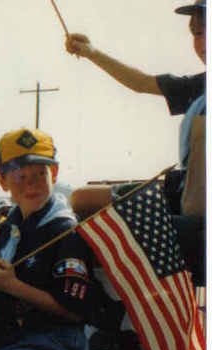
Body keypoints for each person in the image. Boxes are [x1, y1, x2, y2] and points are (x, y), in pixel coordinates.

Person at [0, 128, 164, 350]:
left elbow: (73, 312)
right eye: (20, 176)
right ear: (2, 180)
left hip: (57, 338)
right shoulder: (7, 229)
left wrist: (13, 286)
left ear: (54, 174)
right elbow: (0, 277)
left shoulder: (65, 233)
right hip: (16, 336)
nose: (31, 185)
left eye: (39, 174)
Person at [66, 1, 206, 218]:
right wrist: (91, 53)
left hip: (198, 206)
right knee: (82, 199)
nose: (203, 41)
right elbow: (141, 82)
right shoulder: (199, 86)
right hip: (183, 191)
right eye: (197, 33)